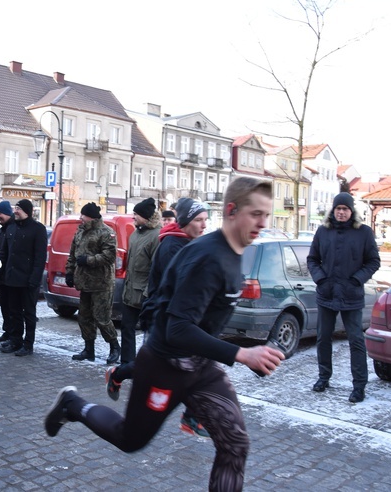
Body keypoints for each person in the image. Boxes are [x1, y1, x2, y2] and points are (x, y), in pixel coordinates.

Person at [45, 177, 284, 492]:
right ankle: (72, 405)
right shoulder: (207, 257)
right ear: (231, 210)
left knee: (235, 444)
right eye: (256, 214)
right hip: (164, 365)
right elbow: (179, 328)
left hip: (200, 368)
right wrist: (241, 354)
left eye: (266, 215)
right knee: (128, 439)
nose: (262, 223)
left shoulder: (234, 252)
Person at [110, 197, 209, 437]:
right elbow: (176, 287)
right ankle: (123, 380)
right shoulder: (171, 246)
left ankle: (191, 415)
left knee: (186, 367)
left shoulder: (187, 243)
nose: (204, 226)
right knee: (164, 368)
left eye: (206, 220)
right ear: (185, 221)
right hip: (163, 319)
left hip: (178, 320)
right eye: (199, 220)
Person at [307, 191, 380, 403]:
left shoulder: (363, 233)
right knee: (323, 338)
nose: (341, 212)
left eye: (345, 209)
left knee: (356, 341)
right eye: (338, 209)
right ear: (333, 210)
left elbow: (373, 261)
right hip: (327, 293)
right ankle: (323, 377)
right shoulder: (323, 231)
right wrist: (321, 279)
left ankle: (359, 386)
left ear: (351, 211)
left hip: (351, 294)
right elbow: (313, 259)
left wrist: (357, 280)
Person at [65, 202, 121, 364]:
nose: (81, 218)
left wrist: (88, 260)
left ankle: (114, 347)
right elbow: (72, 254)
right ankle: (89, 349)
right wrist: (69, 272)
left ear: (91, 216)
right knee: (84, 317)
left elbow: (109, 256)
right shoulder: (80, 232)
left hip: (101, 283)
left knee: (102, 318)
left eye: (83, 215)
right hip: (84, 283)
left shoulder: (106, 232)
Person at [0, 199, 47, 356]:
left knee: (29, 314)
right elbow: (4, 253)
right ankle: (15, 340)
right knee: (14, 312)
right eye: (15, 208)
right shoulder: (11, 228)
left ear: (27, 211)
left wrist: (34, 280)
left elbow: (40, 258)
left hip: (28, 280)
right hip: (11, 279)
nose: (15, 211)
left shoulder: (38, 229)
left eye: (18, 208)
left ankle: (28, 344)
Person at [118, 198, 161, 365]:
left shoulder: (156, 236)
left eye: (136, 214)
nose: (133, 217)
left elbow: (156, 269)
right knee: (126, 328)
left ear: (146, 216)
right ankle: (127, 363)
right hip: (130, 291)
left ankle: (147, 365)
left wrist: (147, 293)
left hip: (145, 294)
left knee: (148, 332)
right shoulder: (135, 234)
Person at [0, 201, 14, 343]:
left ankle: (12, 334)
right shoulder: (3, 229)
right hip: (1, 272)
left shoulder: (12, 228)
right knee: (4, 305)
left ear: (6, 212)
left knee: (11, 306)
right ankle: (7, 331)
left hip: (9, 273)